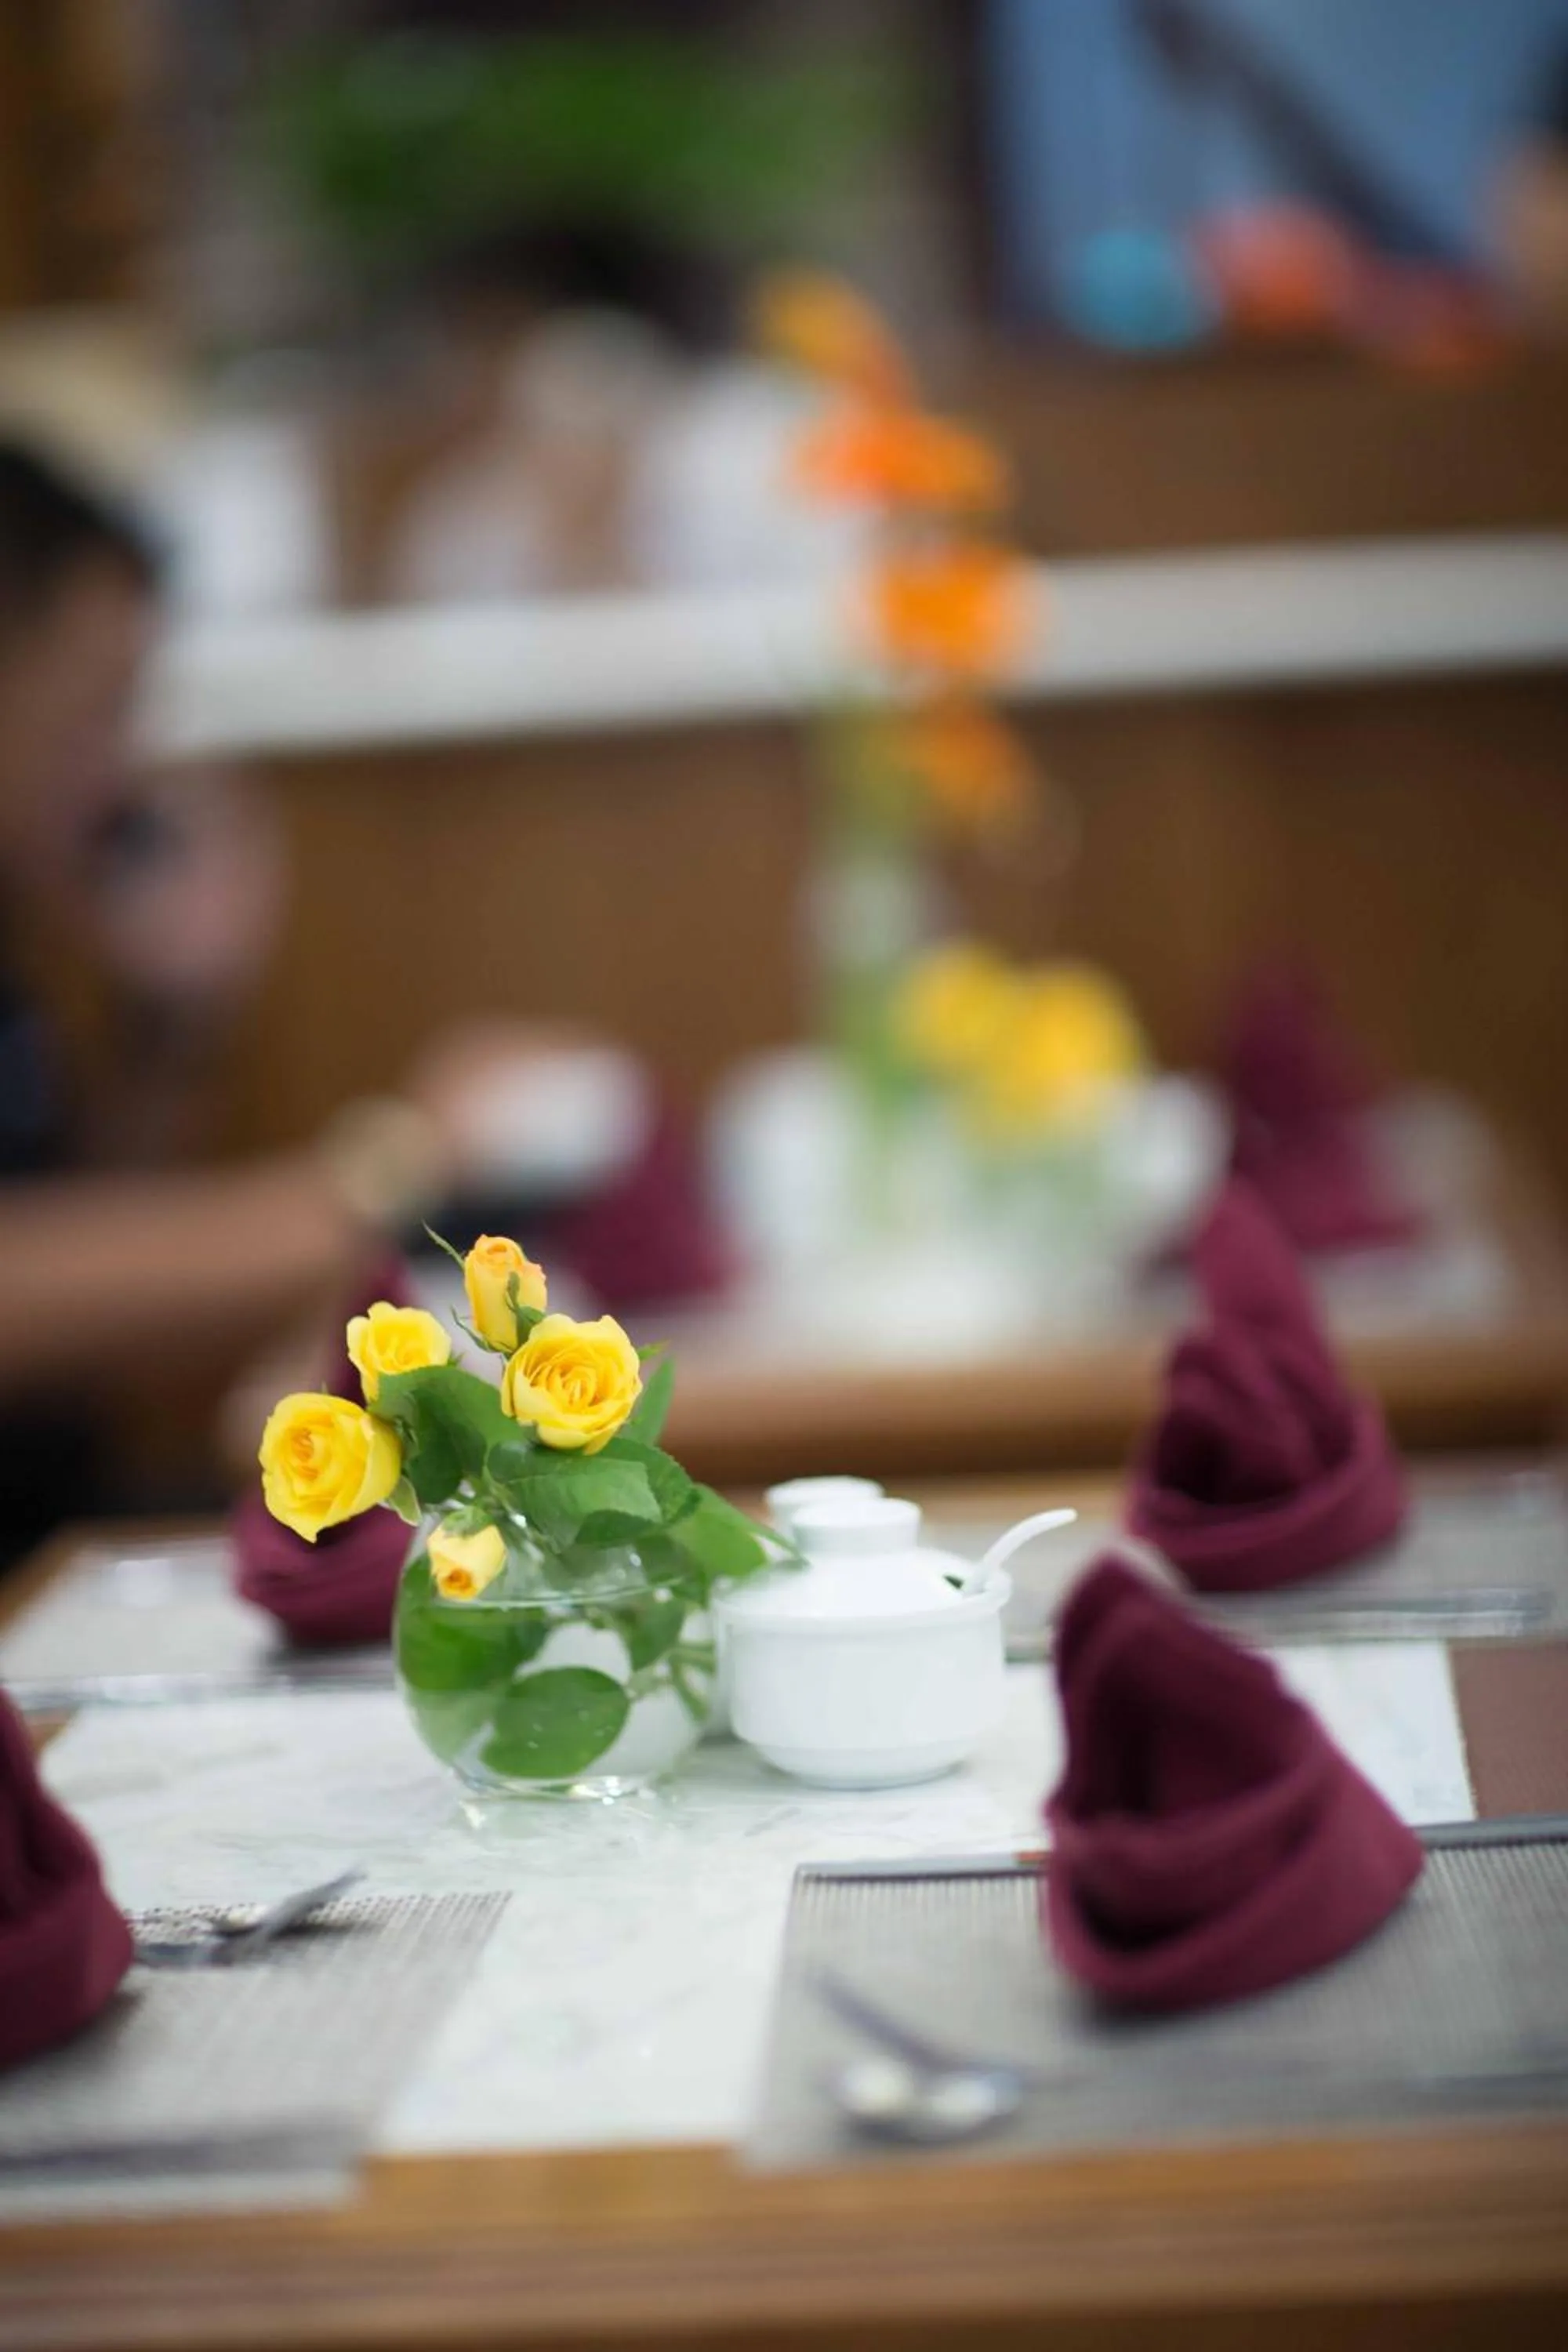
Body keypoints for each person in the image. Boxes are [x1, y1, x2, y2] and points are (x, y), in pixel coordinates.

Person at [0, 440, 452, 1560]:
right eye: (93, 712)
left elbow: (86, 1269)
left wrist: (177, 1025)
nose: (117, 769)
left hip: (74, 1541)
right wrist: (392, 1168)